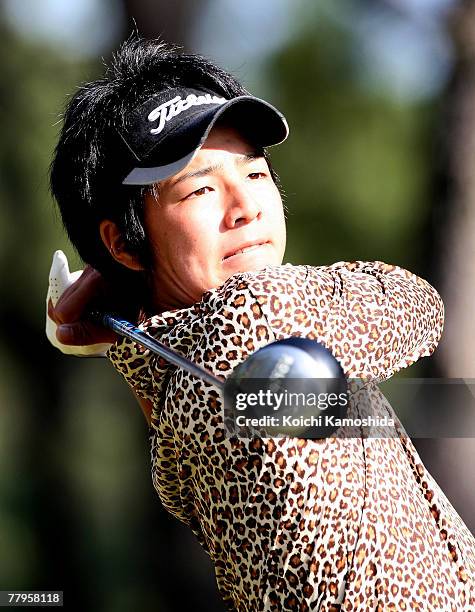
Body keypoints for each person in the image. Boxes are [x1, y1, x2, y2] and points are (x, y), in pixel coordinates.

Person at [46, 37, 475, 610]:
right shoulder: (262, 307)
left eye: (254, 174)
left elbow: (176, 475)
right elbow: (418, 304)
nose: (246, 206)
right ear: (122, 239)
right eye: (199, 187)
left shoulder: (178, 399)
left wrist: (114, 306)